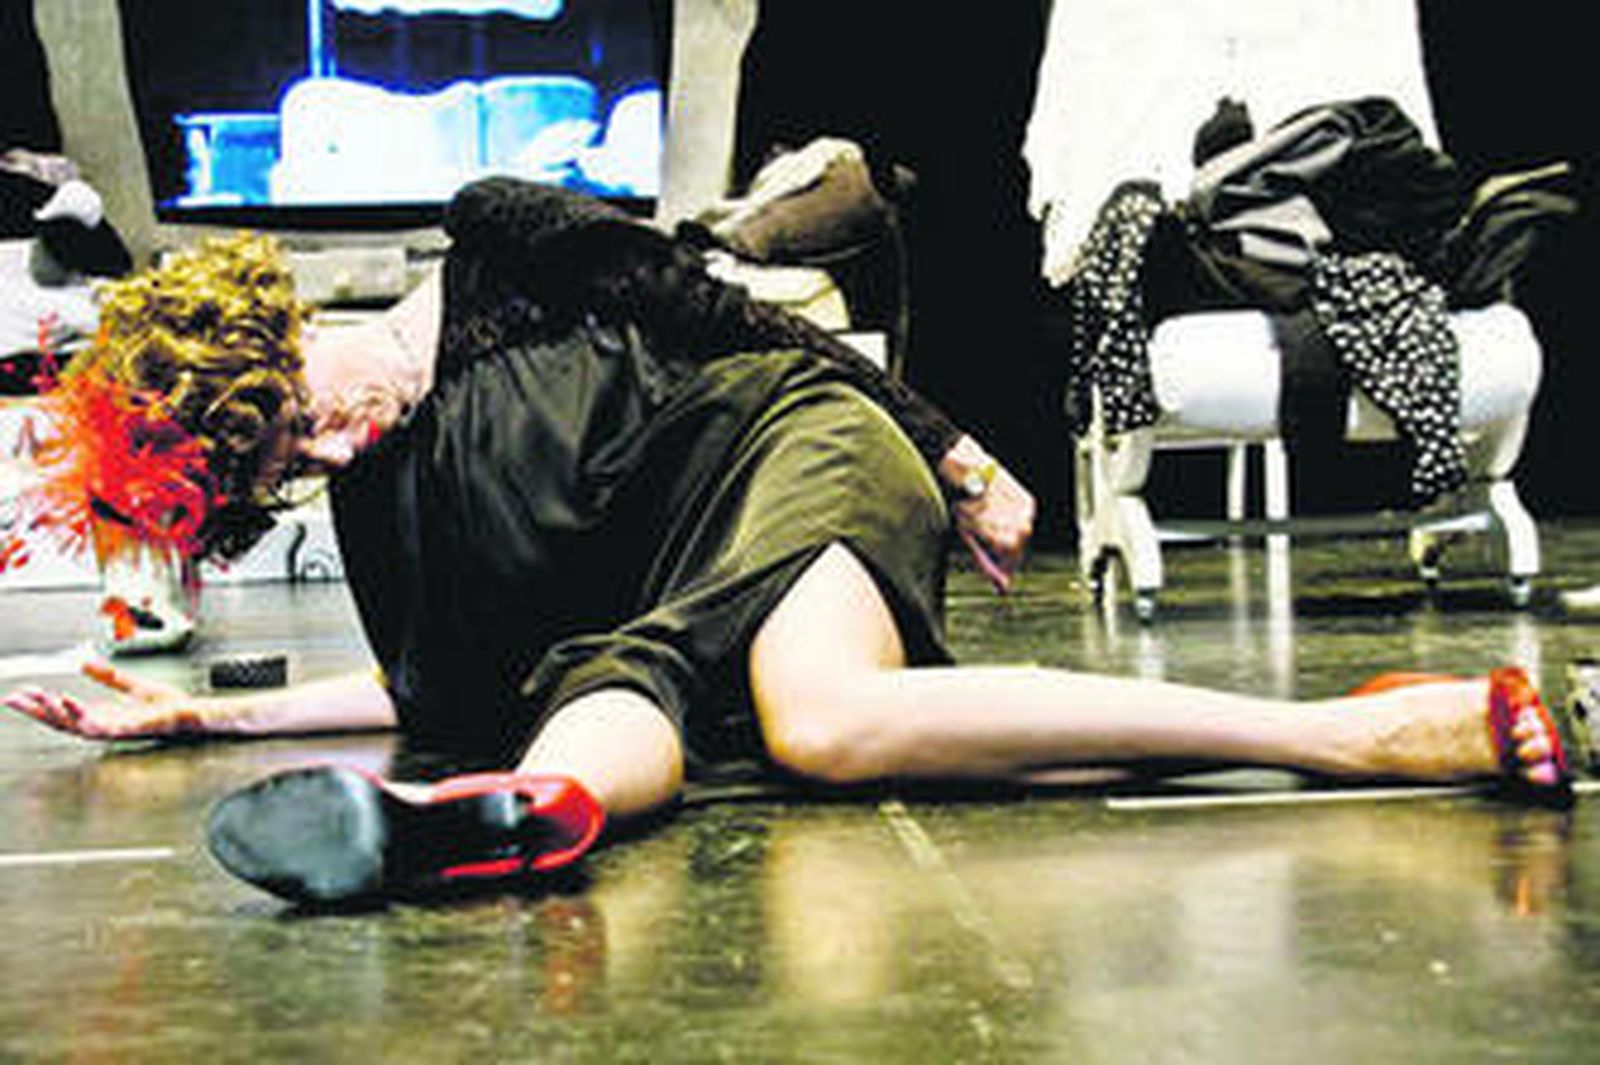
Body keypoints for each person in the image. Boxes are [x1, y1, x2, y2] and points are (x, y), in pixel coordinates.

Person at [1, 178, 1582, 907]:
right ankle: (506, 816)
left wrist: (958, 451)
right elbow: (426, 688)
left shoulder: (499, 243)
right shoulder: (385, 504)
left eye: (297, 417)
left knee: (819, 718)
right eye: (283, 472)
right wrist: (199, 717)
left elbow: (745, 320)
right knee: (597, 681)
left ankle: (1354, 732)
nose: (326, 454)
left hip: (786, 444)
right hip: (681, 615)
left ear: (274, 337)